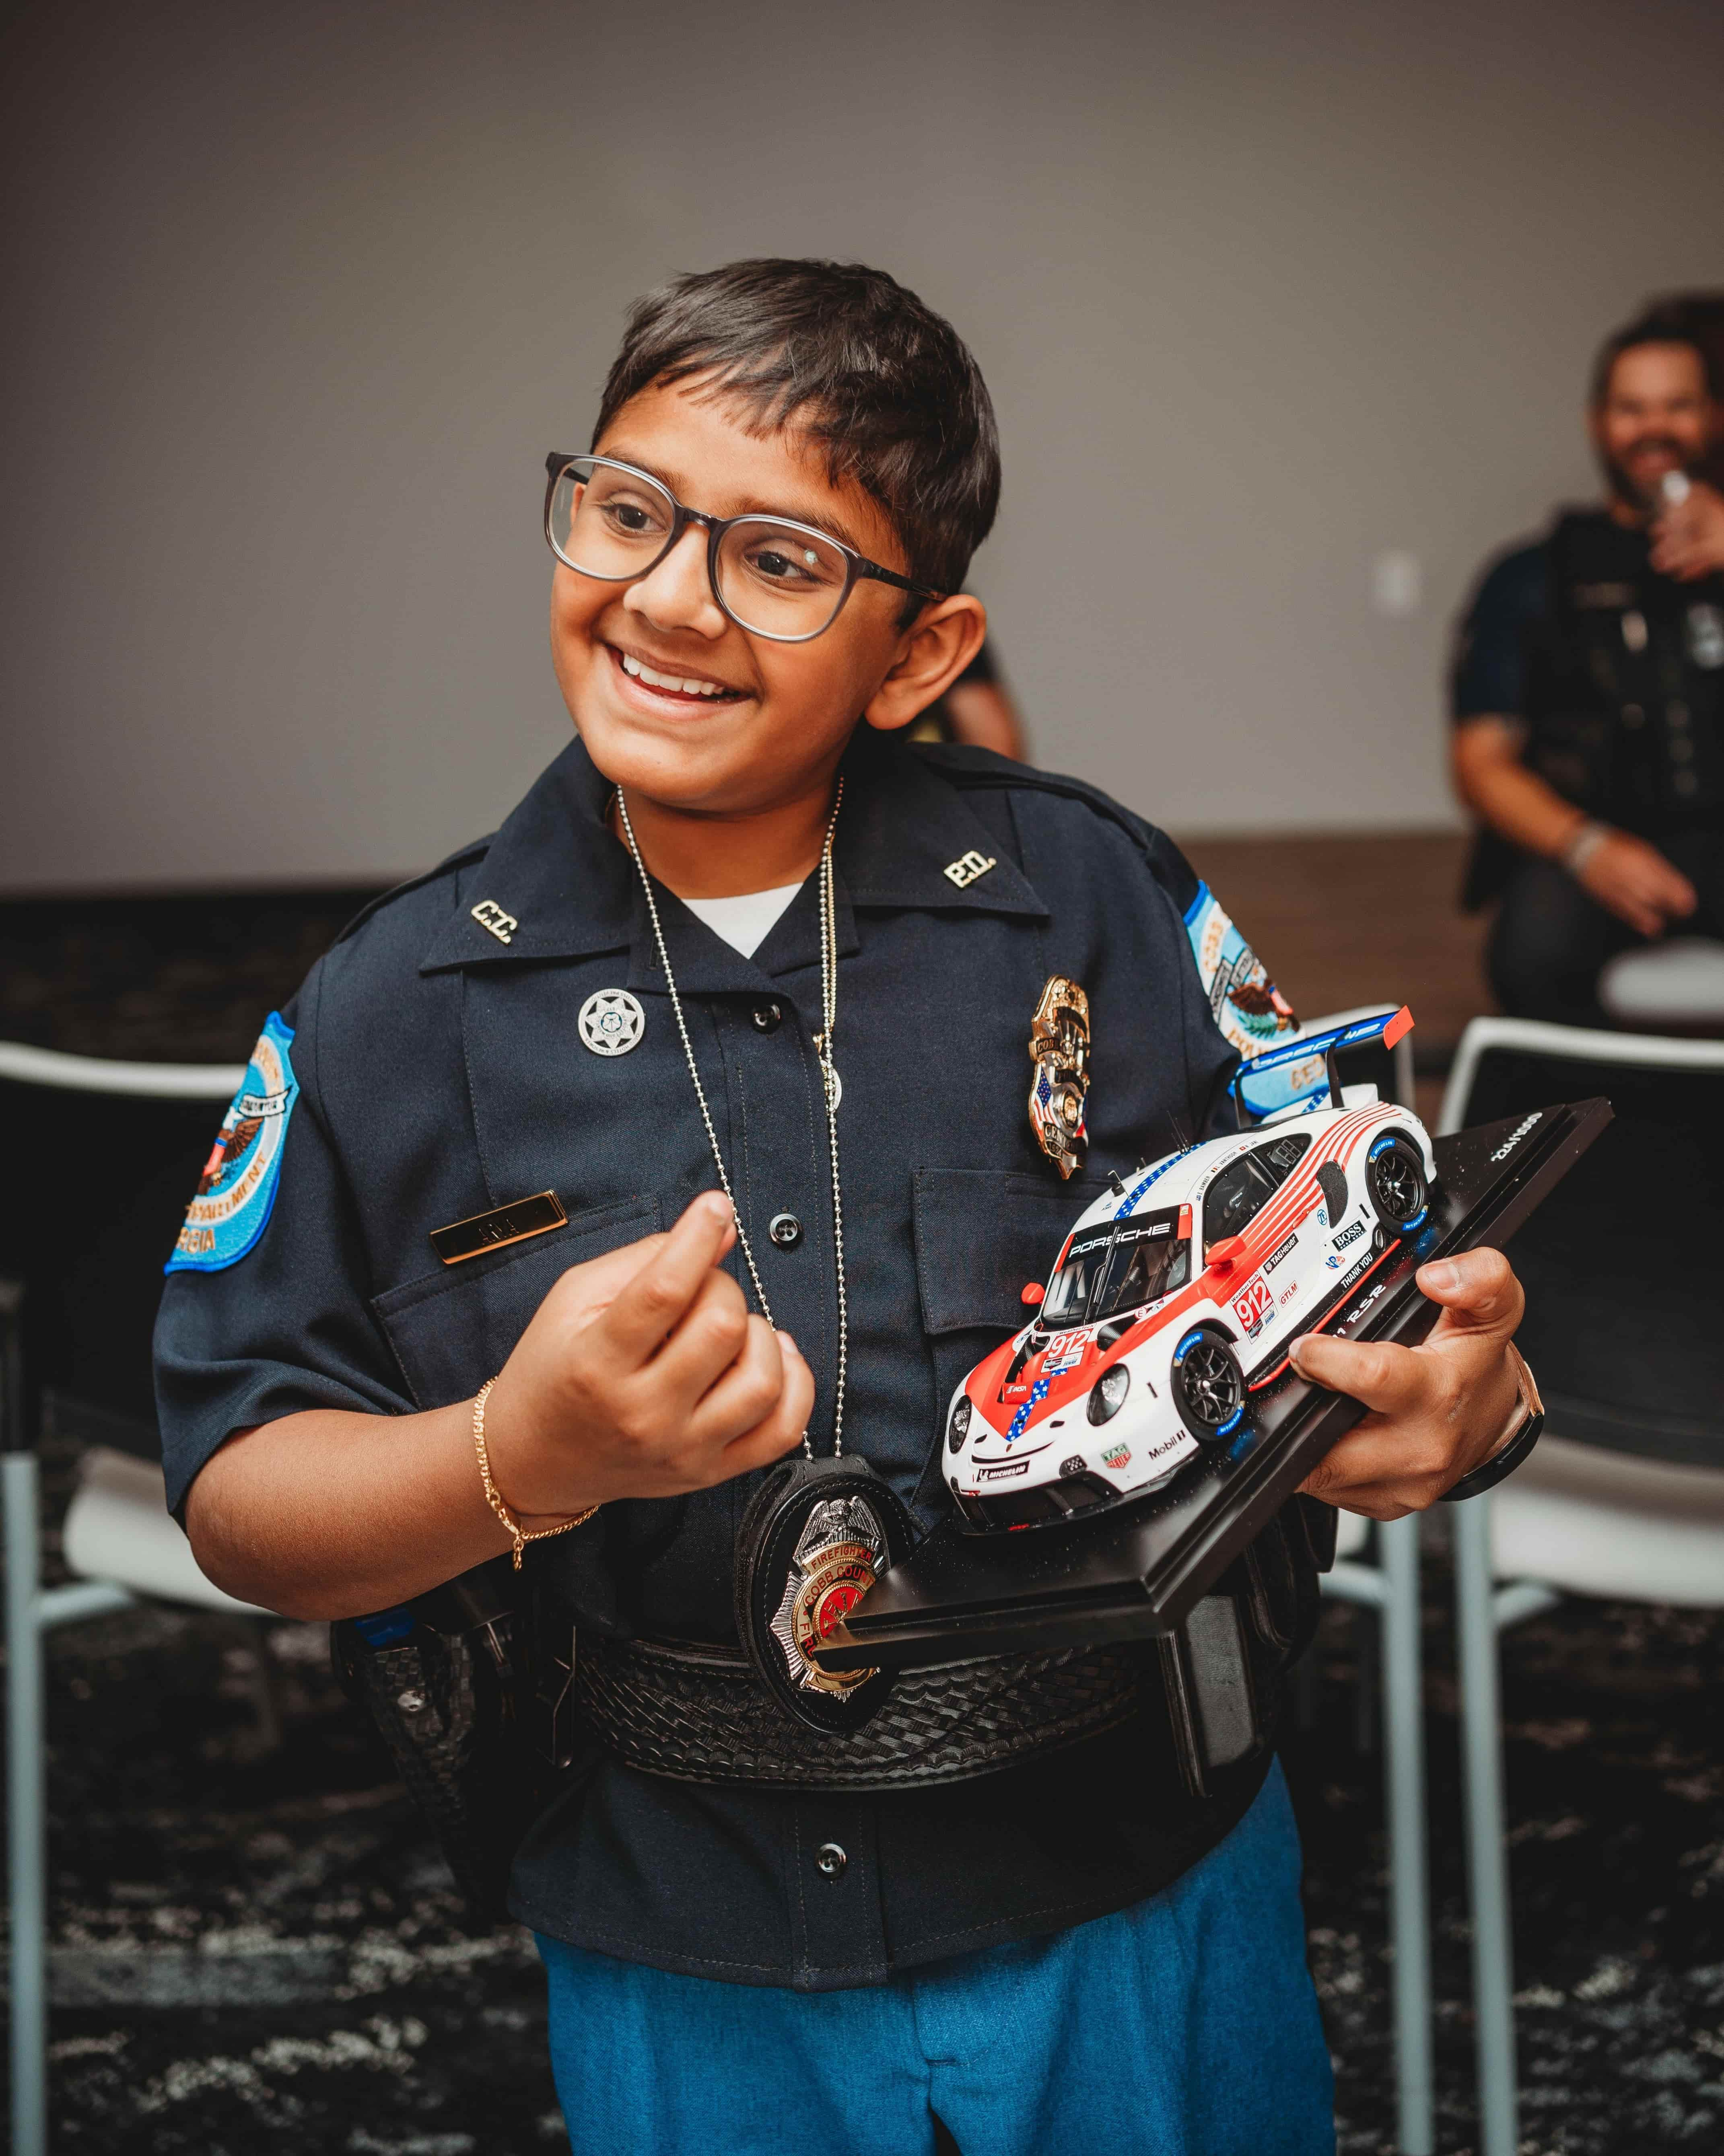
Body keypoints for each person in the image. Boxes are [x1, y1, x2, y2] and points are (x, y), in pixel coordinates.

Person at [157, 259, 1537, 2156]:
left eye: (780, 557)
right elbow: (242, 1496)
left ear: (918, 651)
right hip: (689, 1934)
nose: (664, 592)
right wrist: (517, 1448)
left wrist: (1474, 1397)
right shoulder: (393, 1011)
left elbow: (1370, 1259)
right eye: (629, 510)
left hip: (1130, 1884)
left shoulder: (1088, 897)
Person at [1450, 312, 1724, 1024]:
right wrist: (1591, 850)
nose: (1655, 428)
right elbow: (1480, 763)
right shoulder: (1529, 576)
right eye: (1633, 408)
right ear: (1600, 422)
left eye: (1678, 405)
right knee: (1531, 952)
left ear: (1713, 416)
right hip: (1598, 840)